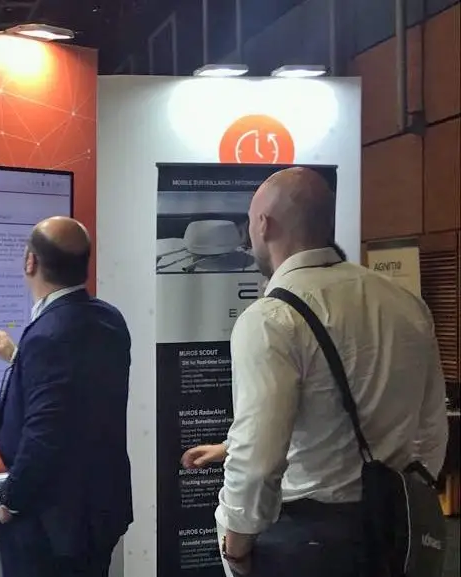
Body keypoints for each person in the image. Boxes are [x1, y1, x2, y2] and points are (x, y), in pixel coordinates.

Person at [183, 167, 449, 577]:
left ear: (263, 224)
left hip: (307, 544)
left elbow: (258, 464)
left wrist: (235, 547)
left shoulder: (271, 318)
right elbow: (430, 428)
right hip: (396, 533)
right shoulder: (405, 303)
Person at [0, 216, 133, 577]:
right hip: (97, 512)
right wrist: (18, 357)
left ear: (30, 261)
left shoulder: (47, 334)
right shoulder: (109, 320)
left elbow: (46, 432)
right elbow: (78, 394)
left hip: (52, 521)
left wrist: (10, 500)